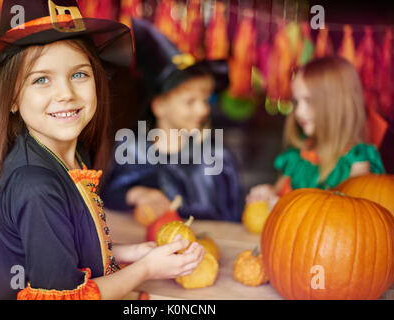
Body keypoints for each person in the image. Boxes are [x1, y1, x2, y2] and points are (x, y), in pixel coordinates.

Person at [0, 0, 204, 300]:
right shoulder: (36, 186)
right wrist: (146, 270)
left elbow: (66, 250)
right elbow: (65, 297)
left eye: (79, 74)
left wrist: (133, 254)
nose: (66, 93)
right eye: (41, 79)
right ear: (12, 98)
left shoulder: (74, 158)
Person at [100, 18, 245, 222]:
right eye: (190, 101)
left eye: (205, 99)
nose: (203, 109)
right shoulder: (131, 150)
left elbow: (236, 216)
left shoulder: (218, 156)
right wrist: (136, 194)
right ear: (159, 106)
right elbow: (106, 196)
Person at [246, 56, 385, 207]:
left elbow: (347, 220)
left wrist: (282, 206)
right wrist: (267, 195)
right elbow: (277, 196)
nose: (298, 112)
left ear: (338, 104)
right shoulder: (298, 157)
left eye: (309, 101)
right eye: (296, 101)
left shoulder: (357, 163)